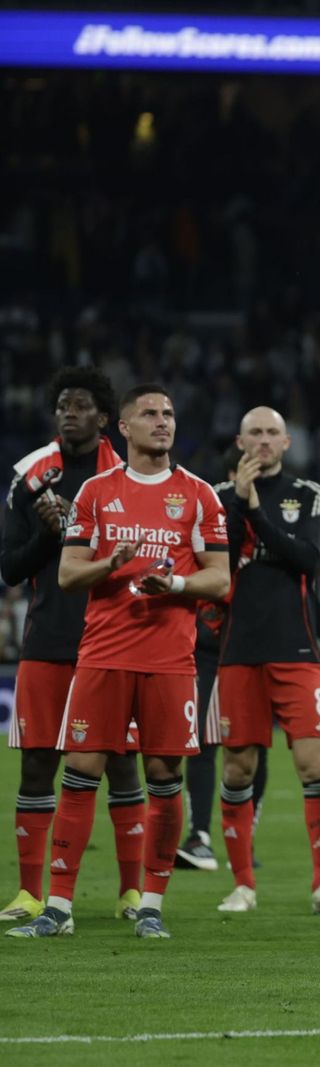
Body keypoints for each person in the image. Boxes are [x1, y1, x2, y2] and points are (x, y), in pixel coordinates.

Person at [9, 383, 230, 939]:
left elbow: (221, 579)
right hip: (102, 655)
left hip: (171, 662)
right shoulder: (94, 492)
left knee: (163, 774)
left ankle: (150, 903)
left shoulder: (200, 494)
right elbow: (66, 575)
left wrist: (174, 581)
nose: (163, 422)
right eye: (150, 414)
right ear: (124, 428)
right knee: (80, 772)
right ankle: (58, 907)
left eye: (170, 414)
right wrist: (114, 562)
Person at [1, 367, 145, 923]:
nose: (69, 412)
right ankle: (29, 893)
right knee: (37, 766)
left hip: (116, 640)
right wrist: (46, 534)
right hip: (48, 639)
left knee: (122, 765)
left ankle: (131, 892)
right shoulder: (31, 478)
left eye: (82, 404)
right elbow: (11, 569)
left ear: (105, 418)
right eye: (63, 403)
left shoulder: (132, 476)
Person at [211, 407, 320, 915]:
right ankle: (243, 885)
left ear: (288, 442)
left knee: (314, 765)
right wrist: (239, 506)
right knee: (238, 770)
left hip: (296, 649)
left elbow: (306, 559)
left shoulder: (306, 493)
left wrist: (254, 510)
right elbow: (218, 564)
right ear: (240, 440)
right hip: (240, 650)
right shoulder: (217, 499)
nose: (264, 440)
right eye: (255, 433)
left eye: (273, 433)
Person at [176, 449, 267, 875]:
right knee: (201, 741)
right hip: (209, 645)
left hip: (253, 646)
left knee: (255, 744)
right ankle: (199, 835)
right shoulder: (211, 508)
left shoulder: (273, 511)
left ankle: (244, 834)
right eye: (237, 474)